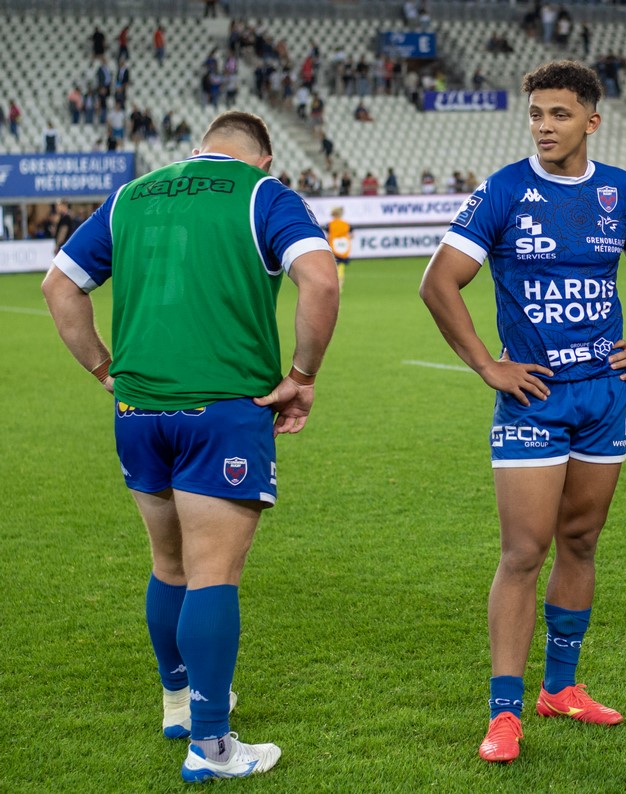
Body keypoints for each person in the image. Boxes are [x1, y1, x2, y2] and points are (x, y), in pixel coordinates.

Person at [40, 110, 339, 781]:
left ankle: (179, 700)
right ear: (263, 160)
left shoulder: (132, 195)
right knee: (213, 572)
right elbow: (320, 279)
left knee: (169, 562)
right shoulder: (263, 194)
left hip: (138, 408)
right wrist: (302, 377)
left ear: (197, 149)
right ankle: (211, 743)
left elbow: (58, 286)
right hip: (224, 408)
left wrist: (100, 367)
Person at [419, 60, 626, 764]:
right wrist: (486, 363)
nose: (544, 126)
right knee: (523, 551)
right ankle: (505, 713)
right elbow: (439, 281)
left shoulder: (620, 193)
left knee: (583, 541)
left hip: (603, 395)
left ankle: (561, 688)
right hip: (532, 397)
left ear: (591, 121)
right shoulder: (505, 191)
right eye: (536, 113)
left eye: (559, 114)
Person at [325, 206, 352, 290]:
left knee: (332, 266)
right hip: (342, 247)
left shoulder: (330, 224)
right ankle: (339, 285)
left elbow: (328, 235)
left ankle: (333, 284)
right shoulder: (346, 224)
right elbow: (351, 234)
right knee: (341, 267)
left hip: (333, 247)